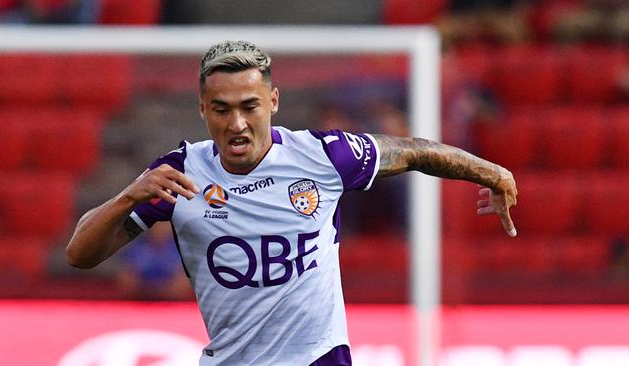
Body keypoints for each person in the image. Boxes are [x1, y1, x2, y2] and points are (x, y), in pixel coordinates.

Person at [66, 40, 518, 365]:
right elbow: (81, 255)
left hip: (318, 358)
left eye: (250, 106)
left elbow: (413, 151)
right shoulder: (180, 171)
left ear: (274, 102)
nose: (237, 123)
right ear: (202, 109)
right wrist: (128, 196)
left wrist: (493, 172)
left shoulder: (322, 155)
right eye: (221, 109)